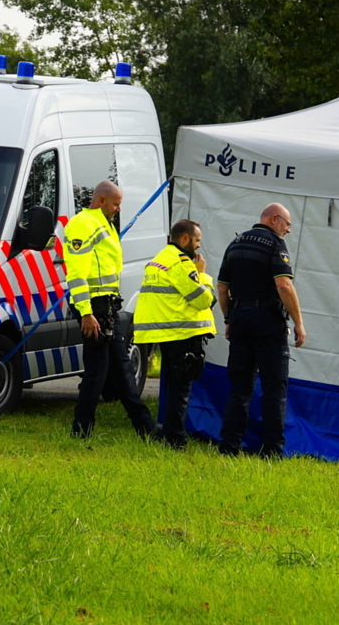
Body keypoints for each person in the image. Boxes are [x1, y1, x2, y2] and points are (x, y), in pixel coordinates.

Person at [64, 180, 160, 440]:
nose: (118, 209)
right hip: (93, 308)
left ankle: (145, 427)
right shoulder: (83, 224)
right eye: (116, 204)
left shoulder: (103, 222)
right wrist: (85, 313)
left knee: (122, 367)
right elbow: (76, 275)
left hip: (106, 306)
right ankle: (81, 430)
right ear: (102, 200)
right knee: (98, 371)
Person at [216, 203, 306, 458]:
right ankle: (271, 450)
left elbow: (222, 288)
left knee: (240, 387)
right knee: (274, 387)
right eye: (287, 224)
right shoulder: (275, 244)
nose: (288, 230)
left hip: (240, 318)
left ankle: (229, 447)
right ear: (275, 219)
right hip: (268, 320)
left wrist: (228, 319)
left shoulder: (235, 244)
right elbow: (284, 285)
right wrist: (298, 322)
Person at [133, 220, 217, 449]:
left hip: (166, 333)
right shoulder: (181, 263)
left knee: (171, 387)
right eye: (197, 240)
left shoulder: (159, 259)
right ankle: (176, 440)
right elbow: (203, 299)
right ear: (184, 239)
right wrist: (203, 275)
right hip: (183, 333)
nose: (199, 246)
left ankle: (170, 433)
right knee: (181, 389)